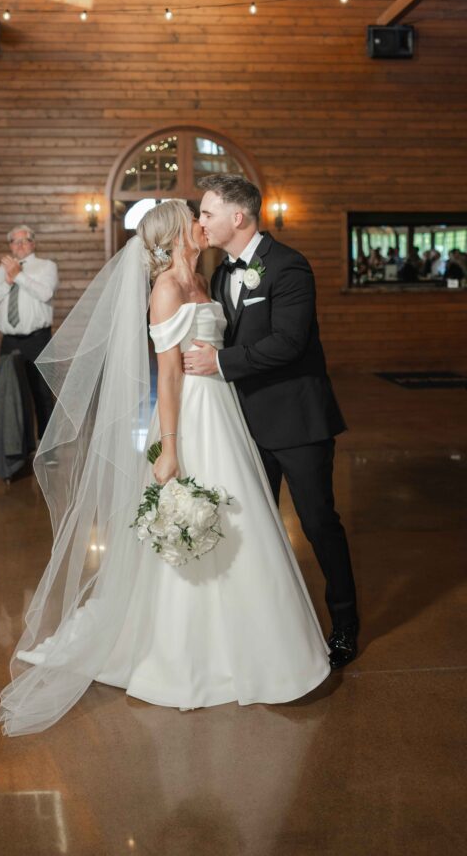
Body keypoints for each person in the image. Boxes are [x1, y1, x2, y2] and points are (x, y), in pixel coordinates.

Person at [0, 200, 331, 735]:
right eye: (194, 220)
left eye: (206, 216)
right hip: (191, 419)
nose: (203, 225)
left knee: (244, 519)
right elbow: (170, 378)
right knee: (199, 517)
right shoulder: (166, 290)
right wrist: (170, 448)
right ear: (177, 234)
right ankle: (187, 654)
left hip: (226, 412)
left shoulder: (207, 281)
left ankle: (261, 644)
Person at [184, 174, 359, 669]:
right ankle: (267, 626)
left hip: (298, 422)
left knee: (319, 524)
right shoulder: (221, 273)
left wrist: (219, 364)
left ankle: (344, 624)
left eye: (207, 213)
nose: (202, 222)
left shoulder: (288, 267)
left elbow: (289, 343)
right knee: (254, 527)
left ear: (236, 217)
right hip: (243, 425)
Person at [0, 225, 58, 440]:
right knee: (11, 393)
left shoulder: (46, 266)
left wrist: (19, 276)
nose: (20, 245)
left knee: (41, 393)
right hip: (9, 342)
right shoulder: (0, 271)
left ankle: (46, 446)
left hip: (38, 340)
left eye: (25, 240)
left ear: (33, 243)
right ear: (10, 246)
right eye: (15, 241)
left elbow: (45, 293)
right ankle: (19, 446)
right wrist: (7, 281)